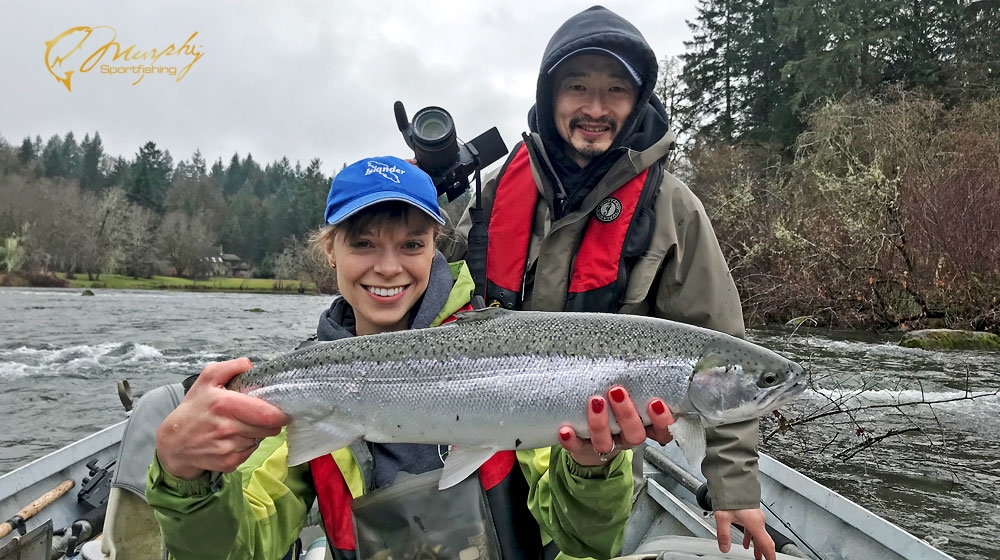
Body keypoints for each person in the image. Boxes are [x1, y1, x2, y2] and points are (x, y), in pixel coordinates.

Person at [145, 155, 676, 560]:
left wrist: (593, 468)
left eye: (412, 245)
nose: (388, 267)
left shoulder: (516, 356)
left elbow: (587, 543)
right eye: (363, 244)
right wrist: (186, 479)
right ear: (329, 250)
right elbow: (237, 549)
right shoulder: (304, 384)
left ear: (436, 247)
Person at [442, 6, 775, 560]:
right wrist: (408, 202)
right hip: (488, 421)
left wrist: (732, 488)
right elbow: (427, 287)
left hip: (603, 457)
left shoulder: (673, 210)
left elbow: (719, 361)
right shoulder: (497, 192)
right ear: (550, 96)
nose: (595, 109)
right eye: (577, 87)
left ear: (637, 98)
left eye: (615, 90)